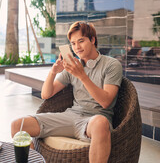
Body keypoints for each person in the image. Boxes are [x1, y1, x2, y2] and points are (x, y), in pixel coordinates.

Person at [11, 21, 122, 163]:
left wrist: (82, 75)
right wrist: (53, 72)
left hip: (94, 121)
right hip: (70, 116)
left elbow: (106, 102)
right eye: (73, 43)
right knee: (17, 125)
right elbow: (46, 94)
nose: (77, 47)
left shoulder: (112, 65)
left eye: (81, 41)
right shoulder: (73, 66)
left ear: (93, 40)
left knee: (101, 122)